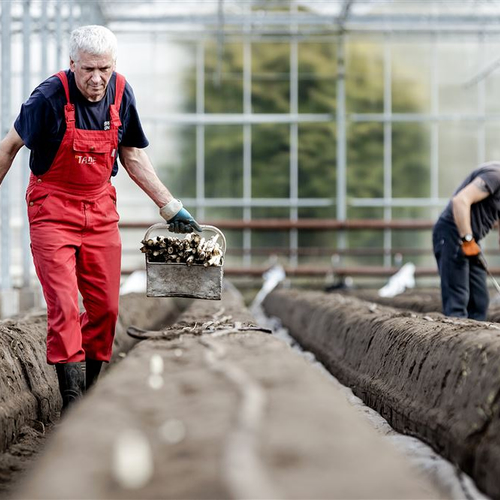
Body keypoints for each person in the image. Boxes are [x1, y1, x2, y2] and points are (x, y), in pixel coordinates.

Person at [0, 25, 201, 413]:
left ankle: (91, 392)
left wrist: (169, 205)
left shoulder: (122, 93)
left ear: (114, 65)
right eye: (88, 69)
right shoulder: (47, 97)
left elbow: (133, 157)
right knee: (62, 305)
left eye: (104, 69)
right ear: (72, 64)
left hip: (100, 208)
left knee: (106, 308)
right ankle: (71, 402)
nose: (97, 79)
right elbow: (9, 147)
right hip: (52, 207)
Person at [433, 161, 500, 321]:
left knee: (479, 302)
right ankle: (454, 341)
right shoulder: (495, 176)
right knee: (457, 300)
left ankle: (476, 342)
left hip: (470, 239)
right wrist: (467, 239)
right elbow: (460, 201)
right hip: (452, 233)